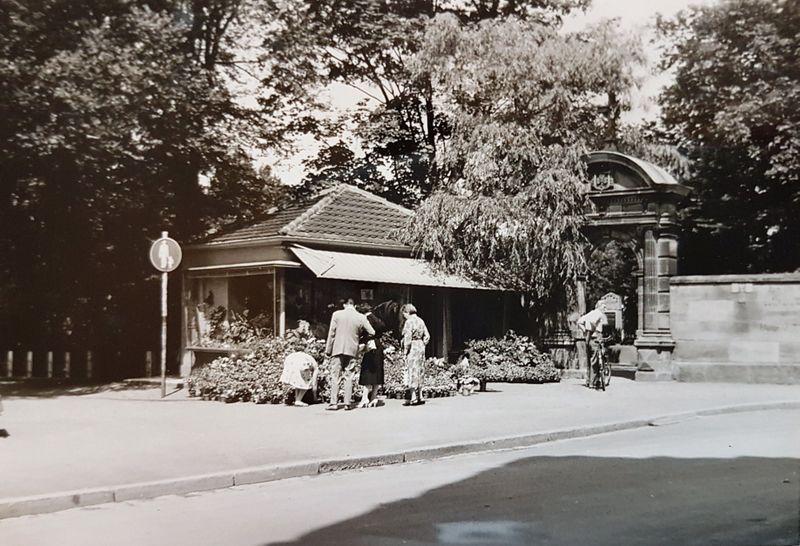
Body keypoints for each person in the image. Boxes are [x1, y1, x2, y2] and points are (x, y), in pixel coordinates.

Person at [325, 298, 375, 410]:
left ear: (344, 304)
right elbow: (372, 332)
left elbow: (331, 333)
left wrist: (328, 350)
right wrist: (360, 338)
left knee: (335, 376)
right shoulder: (360, 317)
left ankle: (334, 403)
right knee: (349, 376)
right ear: (355, 305)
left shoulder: (337, 315)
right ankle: (347, 403)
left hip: (337, 349)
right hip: (352, 350)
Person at [355, 302, 386, 408]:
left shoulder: (367, 319)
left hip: (370, 346)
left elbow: (364, 333)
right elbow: (382, 327)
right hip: (378, 346)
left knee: (367, 372)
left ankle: (364, 398)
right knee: (377, 372)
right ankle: (373, 398)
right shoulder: (375, 318)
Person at [401, 303, 430, 406]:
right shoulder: (421, 320)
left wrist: (405, 352)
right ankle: (420, 395)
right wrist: (423, 343)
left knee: (412, 370)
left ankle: (413, 396)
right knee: (420, 370)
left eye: (404, 313)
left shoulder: (409, 322)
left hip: (413, 347)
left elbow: (407, 339)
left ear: (407, 312)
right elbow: (427, 336)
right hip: (420, 347)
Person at [577, 301, 609, 388]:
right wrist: (593, 329)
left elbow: (579, 321)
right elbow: (593, 321)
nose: (605, 308)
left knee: (590, 360)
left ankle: (589, 380)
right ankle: (593, 382)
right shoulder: (599, 314)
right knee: (595, 360)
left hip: (589, 338)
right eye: (604, 306)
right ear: (599, 306)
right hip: (596, 337)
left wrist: (585, 330)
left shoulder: (590, 313)